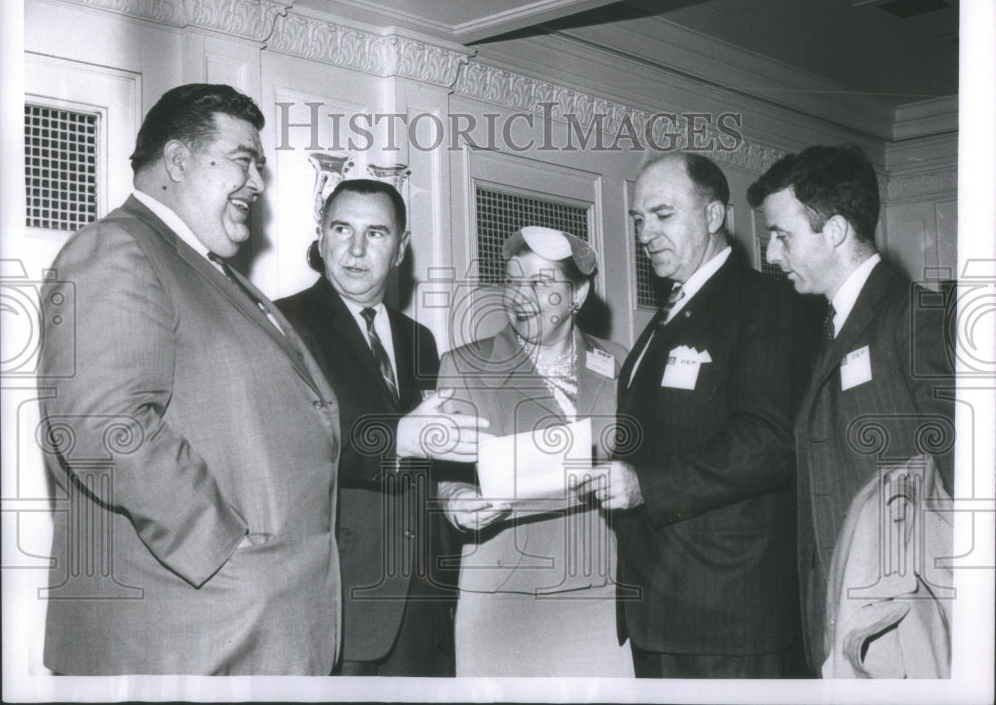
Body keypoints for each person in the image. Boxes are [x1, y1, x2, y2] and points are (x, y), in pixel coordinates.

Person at [37, 83, 342, 675]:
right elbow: (103, 425)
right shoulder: (114, 249)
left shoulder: (210, 270)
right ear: (177, 161)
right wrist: (225, 549)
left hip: (245, 630)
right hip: (191, 635)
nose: (257, 182)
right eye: (242, 160)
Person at [575, 153, 813, 678]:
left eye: (662, 214)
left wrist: (646, 484)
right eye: (639, 220)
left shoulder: (766, 305)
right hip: (663, 610)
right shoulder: (668, 315)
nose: (645, 233)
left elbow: (769, 441)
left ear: (713, 216)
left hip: (727, 616)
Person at [746, 144, 955, 675]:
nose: (771, 255)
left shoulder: (915, 317)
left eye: (782, 235)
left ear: (835, 230)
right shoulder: (826, 329)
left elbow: (964, 482)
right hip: (843, 623)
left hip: (901, 631)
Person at [276, 179, 485, 676]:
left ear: (401, 248)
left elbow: (431, 460)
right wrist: (395, 442)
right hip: (340, 598)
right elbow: (288, 448)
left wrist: (456, 494)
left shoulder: (420, 339)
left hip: (424, 600)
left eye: (376, 233)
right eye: (342, 229)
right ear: (321, 236)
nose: (355, 249)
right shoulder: (283, 324)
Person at [436, 226, 635, 677]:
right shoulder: (464, 365)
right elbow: (445, 473)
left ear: (578, 293)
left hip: (601, 592)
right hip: (507, 596)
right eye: (512, 281)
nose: (521, 296)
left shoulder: (618, 360)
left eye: (541, 283)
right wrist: (455, 501)